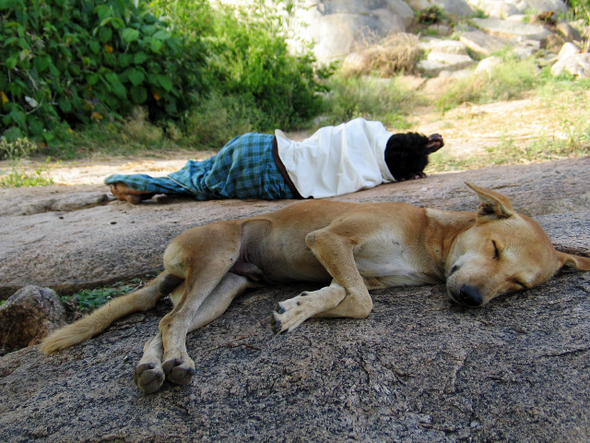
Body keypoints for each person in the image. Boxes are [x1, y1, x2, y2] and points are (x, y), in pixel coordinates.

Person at [106, 118, 444, 204]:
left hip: (261, 144)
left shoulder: (364, 131)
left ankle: (138, 182)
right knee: (201, 185)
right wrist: (411, 171)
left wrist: (423, 144)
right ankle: (137, 186)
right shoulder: (372, 175)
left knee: (203, 168)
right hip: (271, 177)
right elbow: (390, 171)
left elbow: (392, 140)